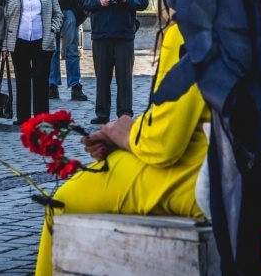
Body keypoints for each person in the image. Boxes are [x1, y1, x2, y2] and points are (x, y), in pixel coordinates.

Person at [34, 21, 210, 276]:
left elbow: (163, 145)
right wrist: (133, 128)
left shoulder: (193, 27)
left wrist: (123, 133)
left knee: (61, 201)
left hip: (207, 178)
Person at [81, 0, 149, 124]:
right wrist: (99, 1)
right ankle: (102, 113)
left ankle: (125, 113)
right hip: (101, 34)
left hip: (124, 35)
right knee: (102, 77)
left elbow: (143, 1)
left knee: (124, 77)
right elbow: (85, 1)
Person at [4, 0, 62, 126]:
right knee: (22, 79)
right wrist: (5, 45)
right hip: (19, 40)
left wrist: (52, 30)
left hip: (42, 40)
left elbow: (58, 14)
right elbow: (6, 18)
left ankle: (41, 116)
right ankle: (22, 116)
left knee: (40, 79)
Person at [40, 0, 89, 101]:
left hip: (70, 11)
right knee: (51, 51)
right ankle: (52, 86)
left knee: (72, 50)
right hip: (50, 13)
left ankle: (75, 87)